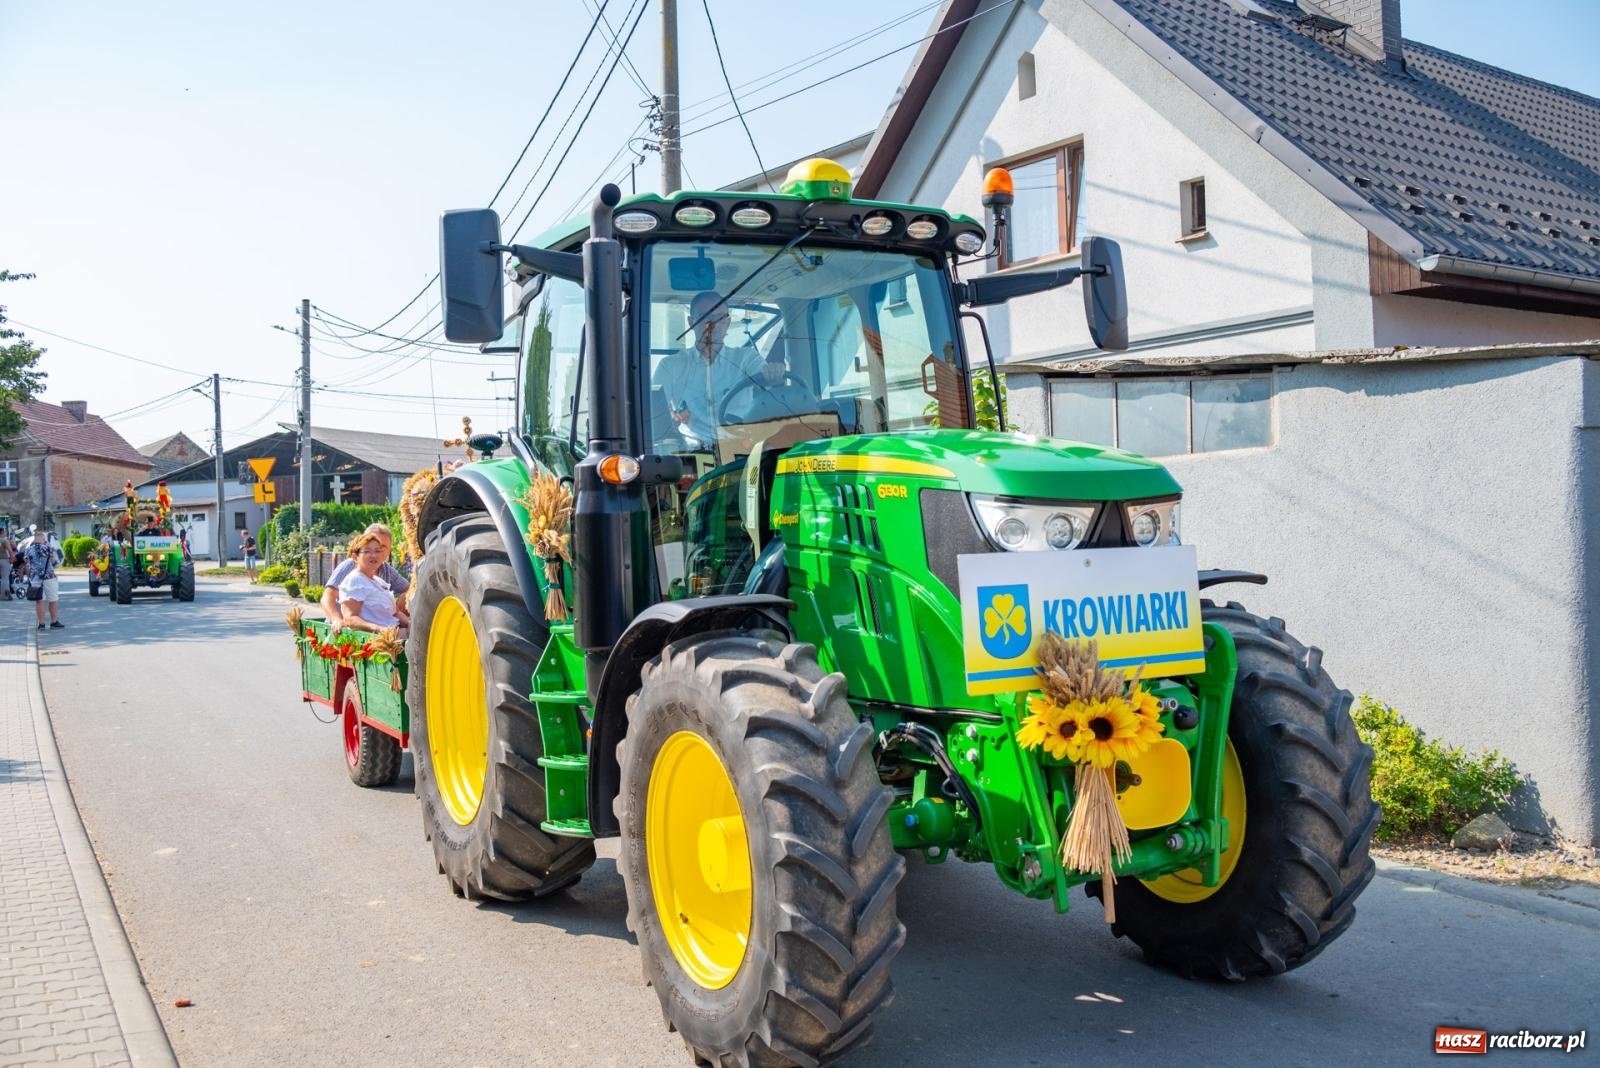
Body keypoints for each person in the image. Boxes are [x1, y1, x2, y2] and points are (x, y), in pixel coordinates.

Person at [652, 290, 765, 447]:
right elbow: (653, 408)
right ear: (691, 322)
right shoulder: (670, 365)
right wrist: (670, 417)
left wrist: (774, 373)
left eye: (720, 317)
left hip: (741, 449)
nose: (713, 324)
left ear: (728, 322)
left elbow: (770, 382)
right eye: (705, 317)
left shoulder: (747, 358)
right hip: (692, 453)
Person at [320, 523, 409, 623]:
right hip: (346, 630)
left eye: (382, 547)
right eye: (369, 547)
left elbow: (410, 589)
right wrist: (336, 619)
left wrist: (403, 598)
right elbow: (328, 597)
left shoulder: (386, 569)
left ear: (389, 550)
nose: (375, 553)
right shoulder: (350, 566)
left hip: (375, 631)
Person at [338, 532, 409, 636]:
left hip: (395, 635)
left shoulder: (378, 581)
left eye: (377, 551)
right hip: (378, 640)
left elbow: (395, 613)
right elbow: (350, 619)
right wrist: (380, 630)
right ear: (355, 557)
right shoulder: (355, 580)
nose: (374, 555)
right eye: (367, 551)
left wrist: (411, 624)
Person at [24, 530, 62, 630]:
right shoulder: (48, 548)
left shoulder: (28, 549)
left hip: (35, 578)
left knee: (39, 601)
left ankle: (41, 624)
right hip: (49, 577)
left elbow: (26, 564)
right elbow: (53, 562)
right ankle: (54, 622)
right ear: (43, 539)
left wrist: (29, 577)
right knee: (53, 600)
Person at [0, 528, 13, 601]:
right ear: (2, 532)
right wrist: (12, 559)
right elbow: (10, 551)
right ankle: (5, 595)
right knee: (5, 578)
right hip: (3, 560)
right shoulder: (4, 540)